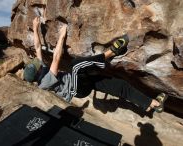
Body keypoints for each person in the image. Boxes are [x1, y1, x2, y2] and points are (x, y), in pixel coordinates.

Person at [24, 17, 167, 114]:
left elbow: (37, 48)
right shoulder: (44, 82)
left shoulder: (41, 70)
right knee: (75, 66)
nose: (39, 63)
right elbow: (56, 58)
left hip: (84, 81)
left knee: (119, 85)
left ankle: (152, 103)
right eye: (37, 66)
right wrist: (62, 35)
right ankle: (111, 52)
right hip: (77, 89)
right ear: (37, 75)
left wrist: (36, 28)